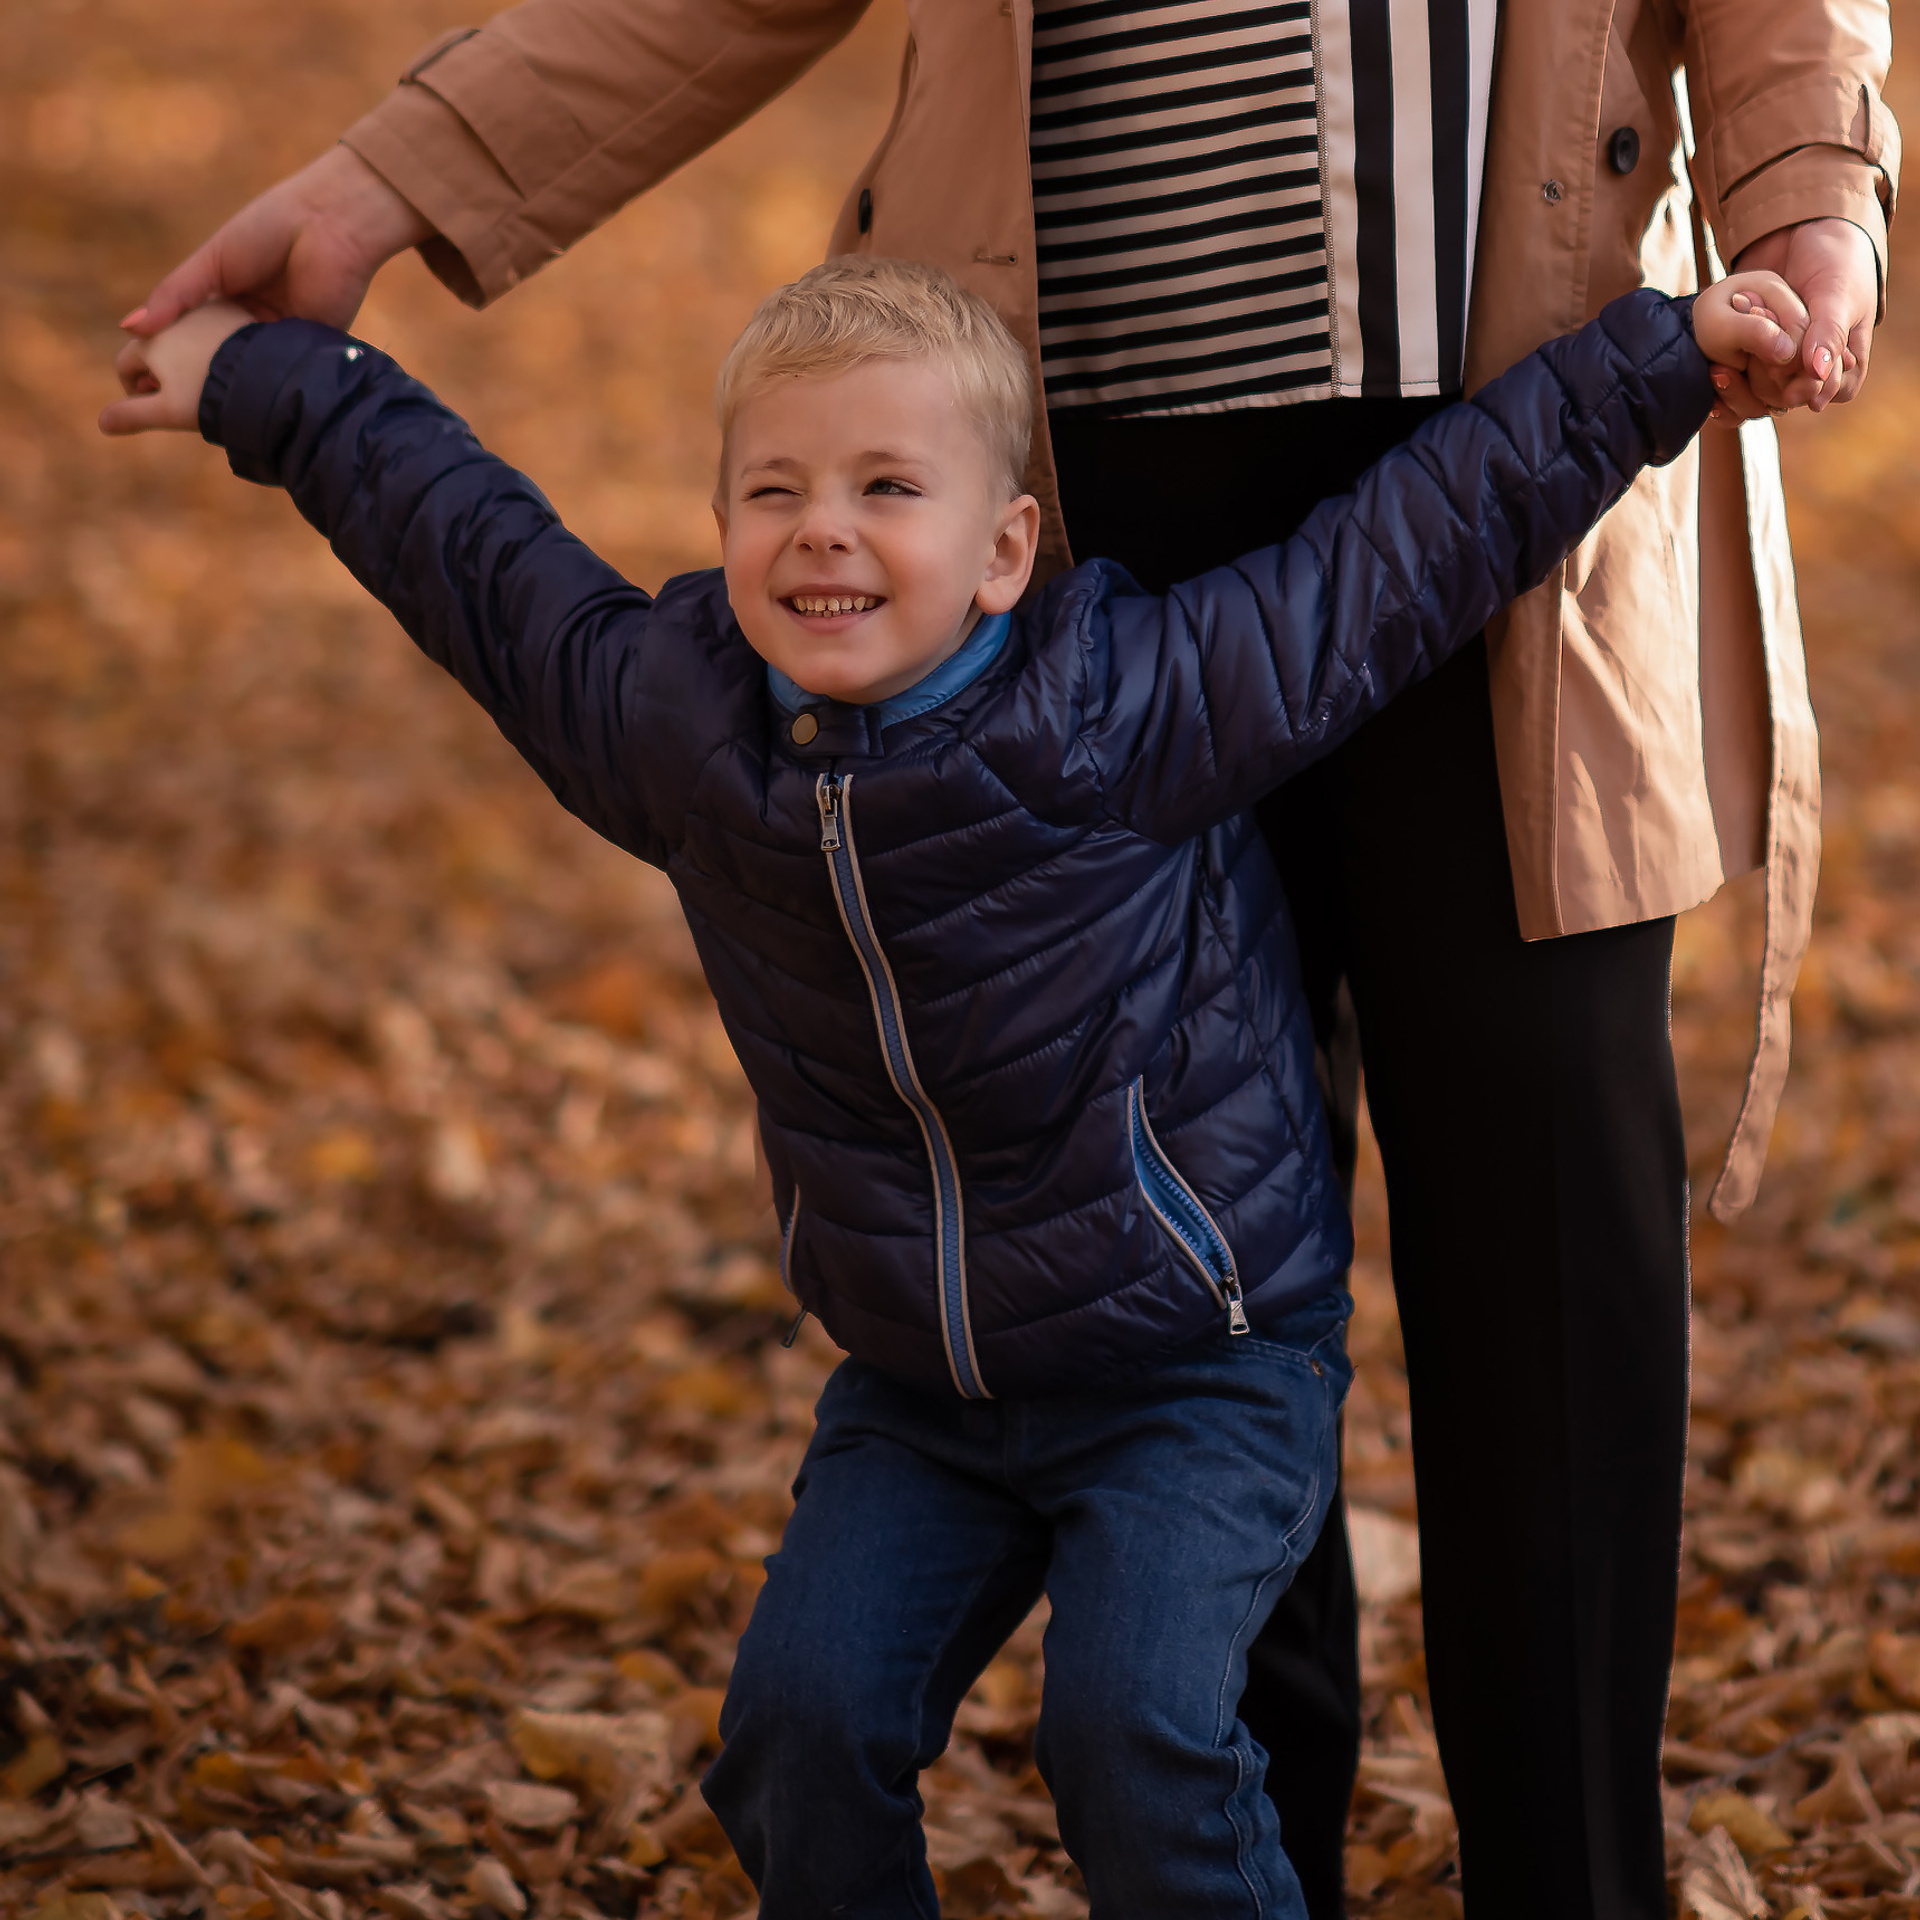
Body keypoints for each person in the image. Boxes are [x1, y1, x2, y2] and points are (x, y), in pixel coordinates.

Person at [118, 9, 1896, 1913]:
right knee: (1161, 1231)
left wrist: (1801, 194)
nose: (810, 542)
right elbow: (490, 571)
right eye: (776, 510)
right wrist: (382, 193)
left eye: (844, 509)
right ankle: (1232, 1866)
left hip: (1505, 378)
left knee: (1546, 1227)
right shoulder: (822, 675)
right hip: (1078, 419)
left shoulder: (1098, 667)